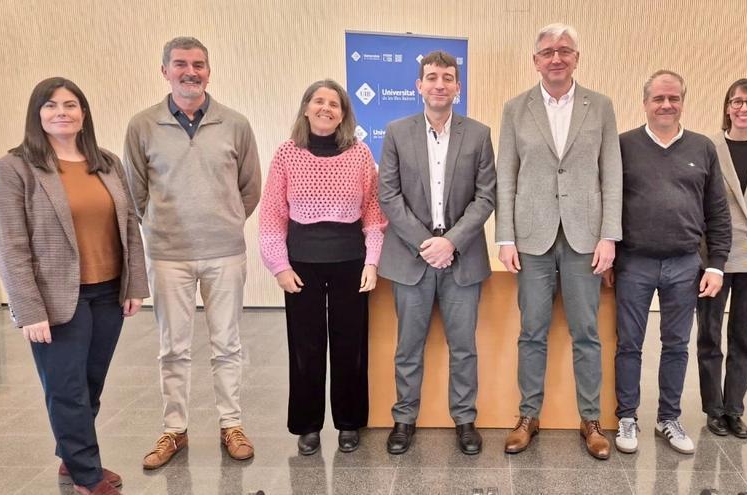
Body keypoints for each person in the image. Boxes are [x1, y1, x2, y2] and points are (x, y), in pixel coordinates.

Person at [0, 77, 148, 495]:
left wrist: (134, 283)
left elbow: (129, 226)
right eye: (50, 105)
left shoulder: (107, 162)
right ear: (37, 114)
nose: (61, 112)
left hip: (107, 292)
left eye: (71, 104)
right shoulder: (15, 168)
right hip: (55, 297)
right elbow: (10, 243)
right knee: (67, 388)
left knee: (91, 381)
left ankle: (72, 453)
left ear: (83, 114)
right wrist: (28, 309)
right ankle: (85, 474)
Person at [123, 36, 262, 469]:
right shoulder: (142, 126)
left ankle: (231, 425)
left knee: (227, 344)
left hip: (224, 253)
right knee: (173, 347)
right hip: (168, 255)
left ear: (209, 70)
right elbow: (134, 192)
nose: (190, 71)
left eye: (199, 64)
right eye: (181, 64)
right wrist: (161, 227)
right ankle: (174, 430)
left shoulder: (235, 124)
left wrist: (223, 220)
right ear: (164, 70)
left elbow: (250, 188)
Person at [495, 23, 621, 460]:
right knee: (532, 332)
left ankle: (591, 419)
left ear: (576, 58)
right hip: (531, 238)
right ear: (535, 60)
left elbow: (613, 175)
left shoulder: (600, 106)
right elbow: (505, 176)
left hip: (586, 238)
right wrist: (505, 237)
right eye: (547, 51)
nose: (556, 58)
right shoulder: (515, 109)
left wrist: (609, 237)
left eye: (565, 50)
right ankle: (528, 415)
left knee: (587, 333)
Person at [258, 79, 387, 455]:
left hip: (350, 262)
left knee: (350, 346)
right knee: (305, 348)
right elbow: (271, 218)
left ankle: (349, 423)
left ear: (344, 114)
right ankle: (307, 426)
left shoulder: (360, 154)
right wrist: (279, 265)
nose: (326, 108)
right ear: (306, 107)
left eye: (335, 104)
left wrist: (373, 261)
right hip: (301, 266)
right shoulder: (286, 154)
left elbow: (374, 216)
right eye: (319, 101)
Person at [378, 50, 496, 455]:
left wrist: (451, 241)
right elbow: (388, 195)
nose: (439, 84)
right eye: (432, 77)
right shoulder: (396, 131)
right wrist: (426, 244)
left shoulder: (479, 134)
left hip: (462, 256)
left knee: (464, 346)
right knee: (408, 346)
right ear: (419, 85)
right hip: (412, 258)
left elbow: (486, 197)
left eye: (448, 77)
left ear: (458, 87)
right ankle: (403, 418)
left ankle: (465, 419)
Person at [613, 70, 731, 455]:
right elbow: (608, 203)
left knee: (676, 345)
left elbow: (717, 210)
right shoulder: (623, 145)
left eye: (673, 98)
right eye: (658, 98)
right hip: (634, 262)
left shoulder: (702, 148)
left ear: (683, 101)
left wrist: (716, 264)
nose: (666, 105)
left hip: (684, 264)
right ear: (645, 102)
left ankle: (668, 417)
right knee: (629, 344)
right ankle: (627, 416)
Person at [696, 78, 747, 439]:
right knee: (710, 335)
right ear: (727, 106)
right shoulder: (708, 146)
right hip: (715, 255)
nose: (743, 108)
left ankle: (735, 409)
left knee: (744, 336)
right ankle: (713, 409)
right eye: (736, 101)